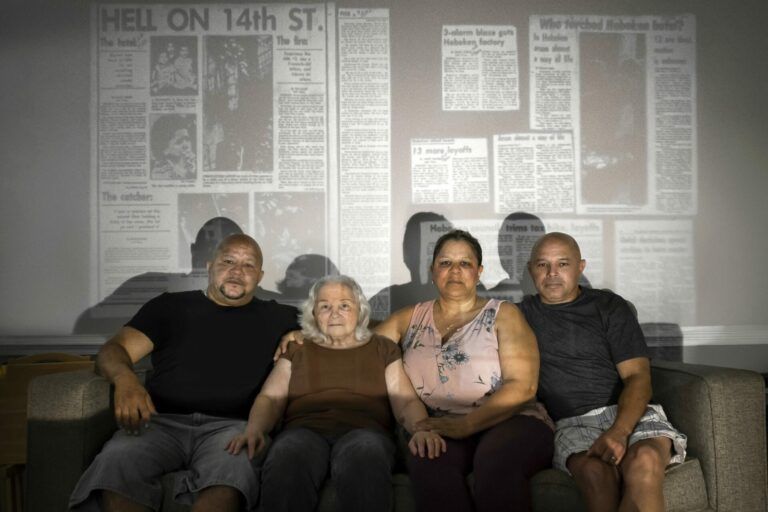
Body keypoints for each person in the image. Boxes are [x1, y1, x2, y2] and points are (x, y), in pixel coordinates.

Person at [279, 230, 554, 511]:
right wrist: (305, 335)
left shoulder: (503, 314)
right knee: (427, 463)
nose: (455, 271)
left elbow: (523, 387)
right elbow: (358, 341)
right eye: (446, 263)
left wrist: (466, 426)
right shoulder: (410, 317)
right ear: (432, 271)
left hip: (510, 421)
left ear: (479, 271)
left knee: (495, 466)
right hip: (440, 425)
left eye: (465, 263)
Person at [69, 234, 299, 512]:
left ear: (260, 276)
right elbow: (113, 349)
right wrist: (125, 380)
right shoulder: (170, 307)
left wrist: (303, 334)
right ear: (210, 265)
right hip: (159, 423)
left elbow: (352, 325)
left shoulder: (280, 316)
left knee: (230, 475)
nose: (237, 271)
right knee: (117, 460)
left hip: (232, 428)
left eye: (248, 265)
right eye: (228, 261)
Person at [228, 275, 446, 512]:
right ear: (313, 314)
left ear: (359, 311)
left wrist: (421, 429)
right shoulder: (297, 348)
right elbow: (270, 397)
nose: (334, 313)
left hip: (366, 432)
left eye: (344, 305)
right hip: (304, 431)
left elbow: (405, 401)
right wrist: (254, 429)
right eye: (325, 306)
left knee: (365, 451)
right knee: (288, 452)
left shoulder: (383, 348)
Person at [518, 232, 687, 512]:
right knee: (597, 475)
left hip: (628, 412)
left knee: (644, 461)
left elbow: (638, 378)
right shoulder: (519, 315)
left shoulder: (609, 306)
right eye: (542, 265)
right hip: (572, 423)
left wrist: (619, 431)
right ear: (530, 270)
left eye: (563, 264)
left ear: (580, 267)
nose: (552, 274)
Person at [150, 114, 196, 180]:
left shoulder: (192, 162)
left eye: (187, 139)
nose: (186, 145)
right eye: (179, 142)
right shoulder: (160, 171)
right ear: (165, 149)